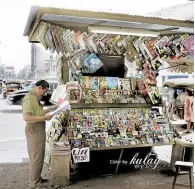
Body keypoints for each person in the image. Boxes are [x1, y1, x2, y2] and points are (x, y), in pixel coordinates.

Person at [22, 80, 58, 189]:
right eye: (44, 91)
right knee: (36, 157)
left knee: (39, 156)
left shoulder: (34, 98)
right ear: (39, 88)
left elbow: (38, 113)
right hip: (34, 129)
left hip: (38, 129)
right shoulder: (29, 98)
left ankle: (37, 178)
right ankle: (34, 183)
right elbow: (26, 117)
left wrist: (50, 109)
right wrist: (44, 118)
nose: (44, 94)